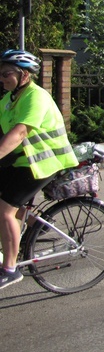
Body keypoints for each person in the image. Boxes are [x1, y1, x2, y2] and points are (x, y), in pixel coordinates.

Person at [0, 50, 78, 289]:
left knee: (4, 210)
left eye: (6, 74)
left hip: (43, 163)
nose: (1, 79)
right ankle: (35, 223)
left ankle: (10, 269)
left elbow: (20, 132)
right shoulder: (8, 99)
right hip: (22, 160)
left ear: (24, 74)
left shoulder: (36, 97)